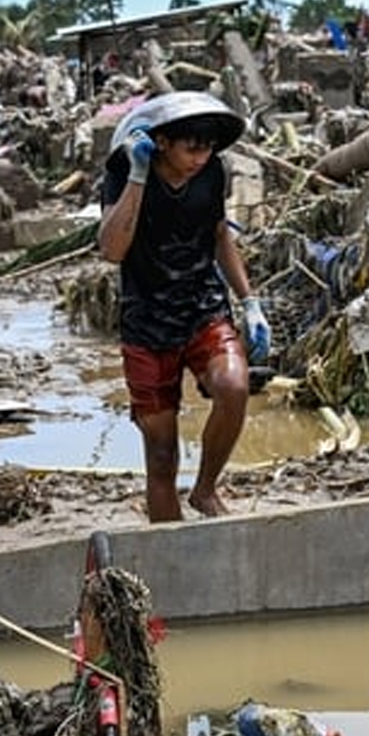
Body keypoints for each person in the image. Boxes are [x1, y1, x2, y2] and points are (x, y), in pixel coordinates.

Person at [97, 91, 270, 522]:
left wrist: (249, 302)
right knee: (160, 455)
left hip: (202, 306)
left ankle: (206, 489)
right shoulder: (122, 172)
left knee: (233, 386)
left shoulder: (212, 172)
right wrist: (138, 176)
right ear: (162, 143)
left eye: (207, 147)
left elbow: (218, 236)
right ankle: (170, 548)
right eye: (191, 147)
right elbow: (113, 250)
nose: (200, 157)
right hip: (147, 319)